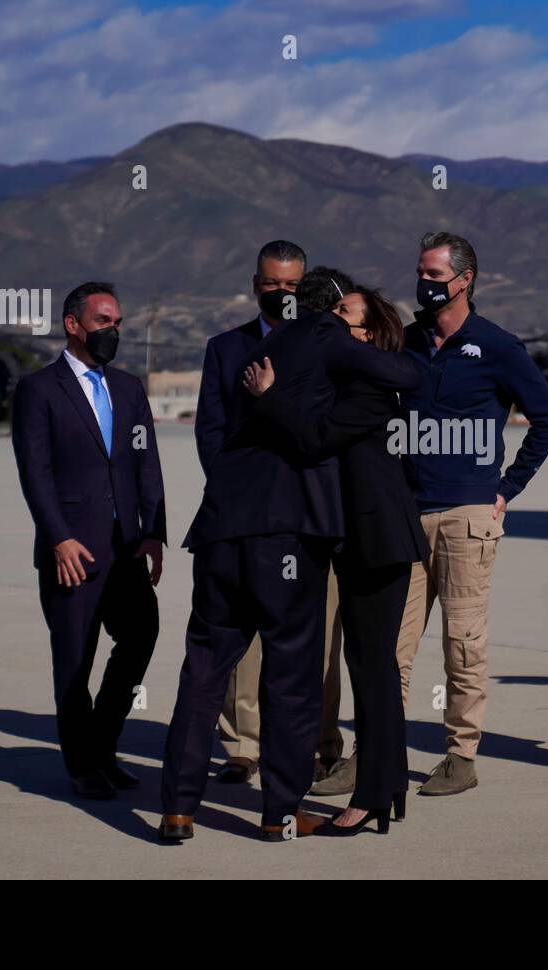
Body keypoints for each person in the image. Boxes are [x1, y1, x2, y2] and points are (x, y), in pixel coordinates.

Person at [159, 268, 423, 843]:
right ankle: (279, 813)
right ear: (331, 309)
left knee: (202, 671)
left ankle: (177, 809)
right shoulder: (325, 339)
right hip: (286, 532)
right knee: (293, 674)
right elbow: (407, 374)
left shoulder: (262, 345)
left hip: (221, 524)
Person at [242, 284, 427, 835]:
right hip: (365, 541)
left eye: (344, 315)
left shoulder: (369, 387)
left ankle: (372, 793)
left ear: (368, 335)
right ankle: (387, 785)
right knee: (372, 667)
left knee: (373, 669)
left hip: (379, 543)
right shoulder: (349, 381)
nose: (330, 320)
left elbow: (317, 439)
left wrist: (270, 396)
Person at [394, 231, 548, 796]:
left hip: (468, 514)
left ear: (464, 281)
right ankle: (380, 751)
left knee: (463, 643)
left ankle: (460, 756)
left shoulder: (497, 346)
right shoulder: (406, 341)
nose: (424, 284)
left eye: (435, 276)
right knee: (389, 644)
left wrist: (506, 488)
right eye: (420, 272)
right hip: (408, 517)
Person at [195, 240, 345, 786]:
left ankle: (318, 740)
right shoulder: (224, 348)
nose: (281, 294)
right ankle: (242, 743)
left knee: (316, 637)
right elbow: (211, 430)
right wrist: (236, 494)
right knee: (245, 640)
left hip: (308, 518)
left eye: (291, 286)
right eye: (271, 284)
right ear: (254, 284)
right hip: (245, 517)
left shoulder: (327, 344)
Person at [10, 281, 166, 799]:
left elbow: (147, 464)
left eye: (117, 322)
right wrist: (57, 539)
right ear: (72, 324)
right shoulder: (39, 390)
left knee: (141, 635)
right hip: (72, 552)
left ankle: (102, 743)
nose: (112, 331)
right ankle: (83, 766)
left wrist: (152, 534)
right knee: (75, 661)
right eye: (103, 321)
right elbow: (36, 473)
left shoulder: (128, 388)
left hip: (126, 548)